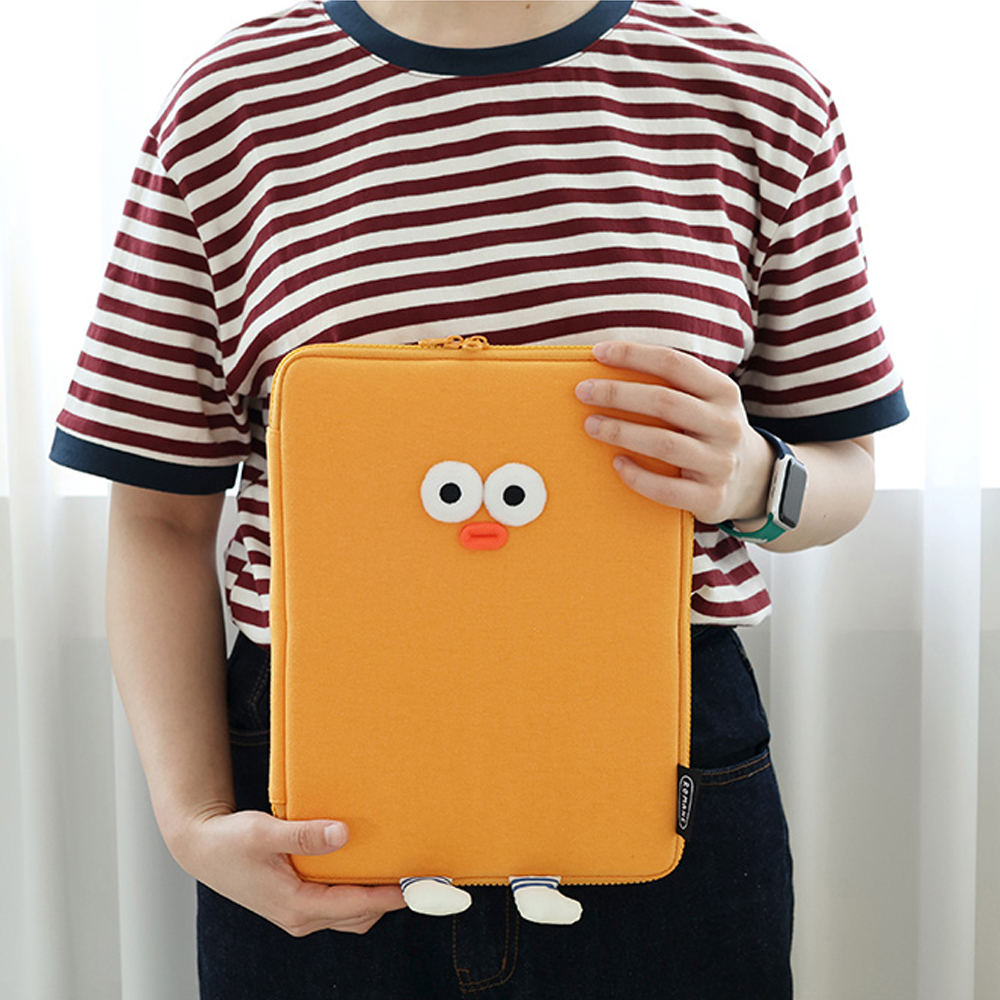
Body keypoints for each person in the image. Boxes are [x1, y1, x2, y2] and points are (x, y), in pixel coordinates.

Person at [50, 1, 908, 996]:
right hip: (317, 769)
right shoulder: (231, 104)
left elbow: (843, 465)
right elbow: (159, 515)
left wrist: (756, 478)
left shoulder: (755, 92)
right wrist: (192, 819)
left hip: (656, 747)